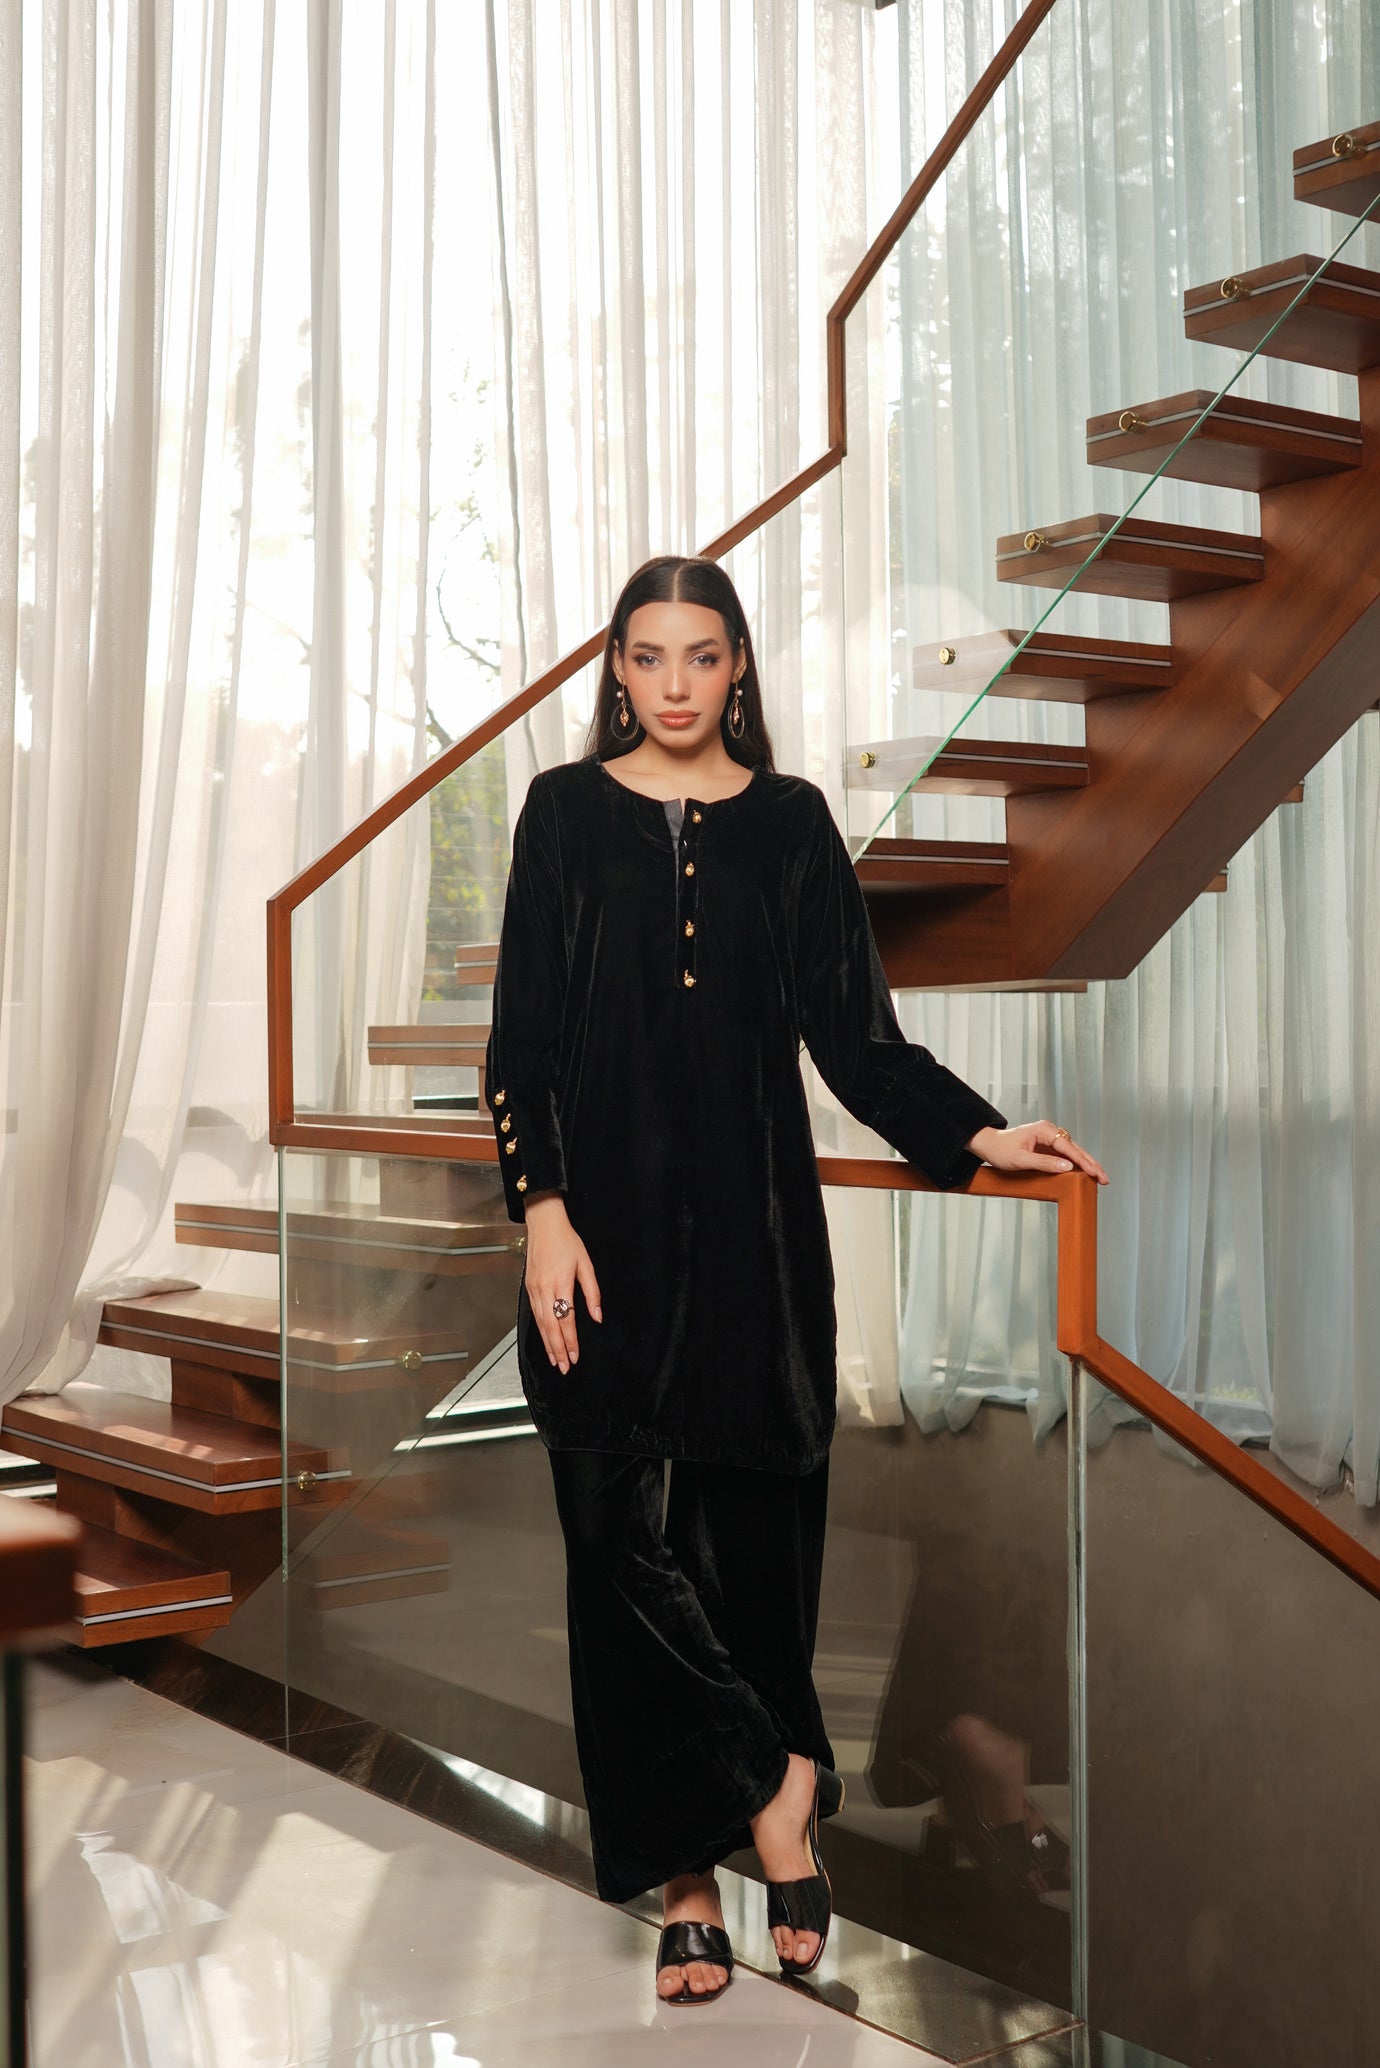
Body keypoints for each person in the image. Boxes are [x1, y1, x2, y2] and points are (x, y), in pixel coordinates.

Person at [484, 554, 1108, 2007]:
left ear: (739, 667)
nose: (678, 683)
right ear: (618, 670)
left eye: (703, 656)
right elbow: (520, 1044)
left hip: (755, 1249)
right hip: (598, 1248)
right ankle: (769, 1794)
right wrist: (542, 1212)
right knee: (610, 1546)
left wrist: (978, 1133)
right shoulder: (562, 815)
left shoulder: (793, 823)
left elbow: (856, 1036)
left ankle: (698, 1888)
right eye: (651, 657)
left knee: (749, 1562)